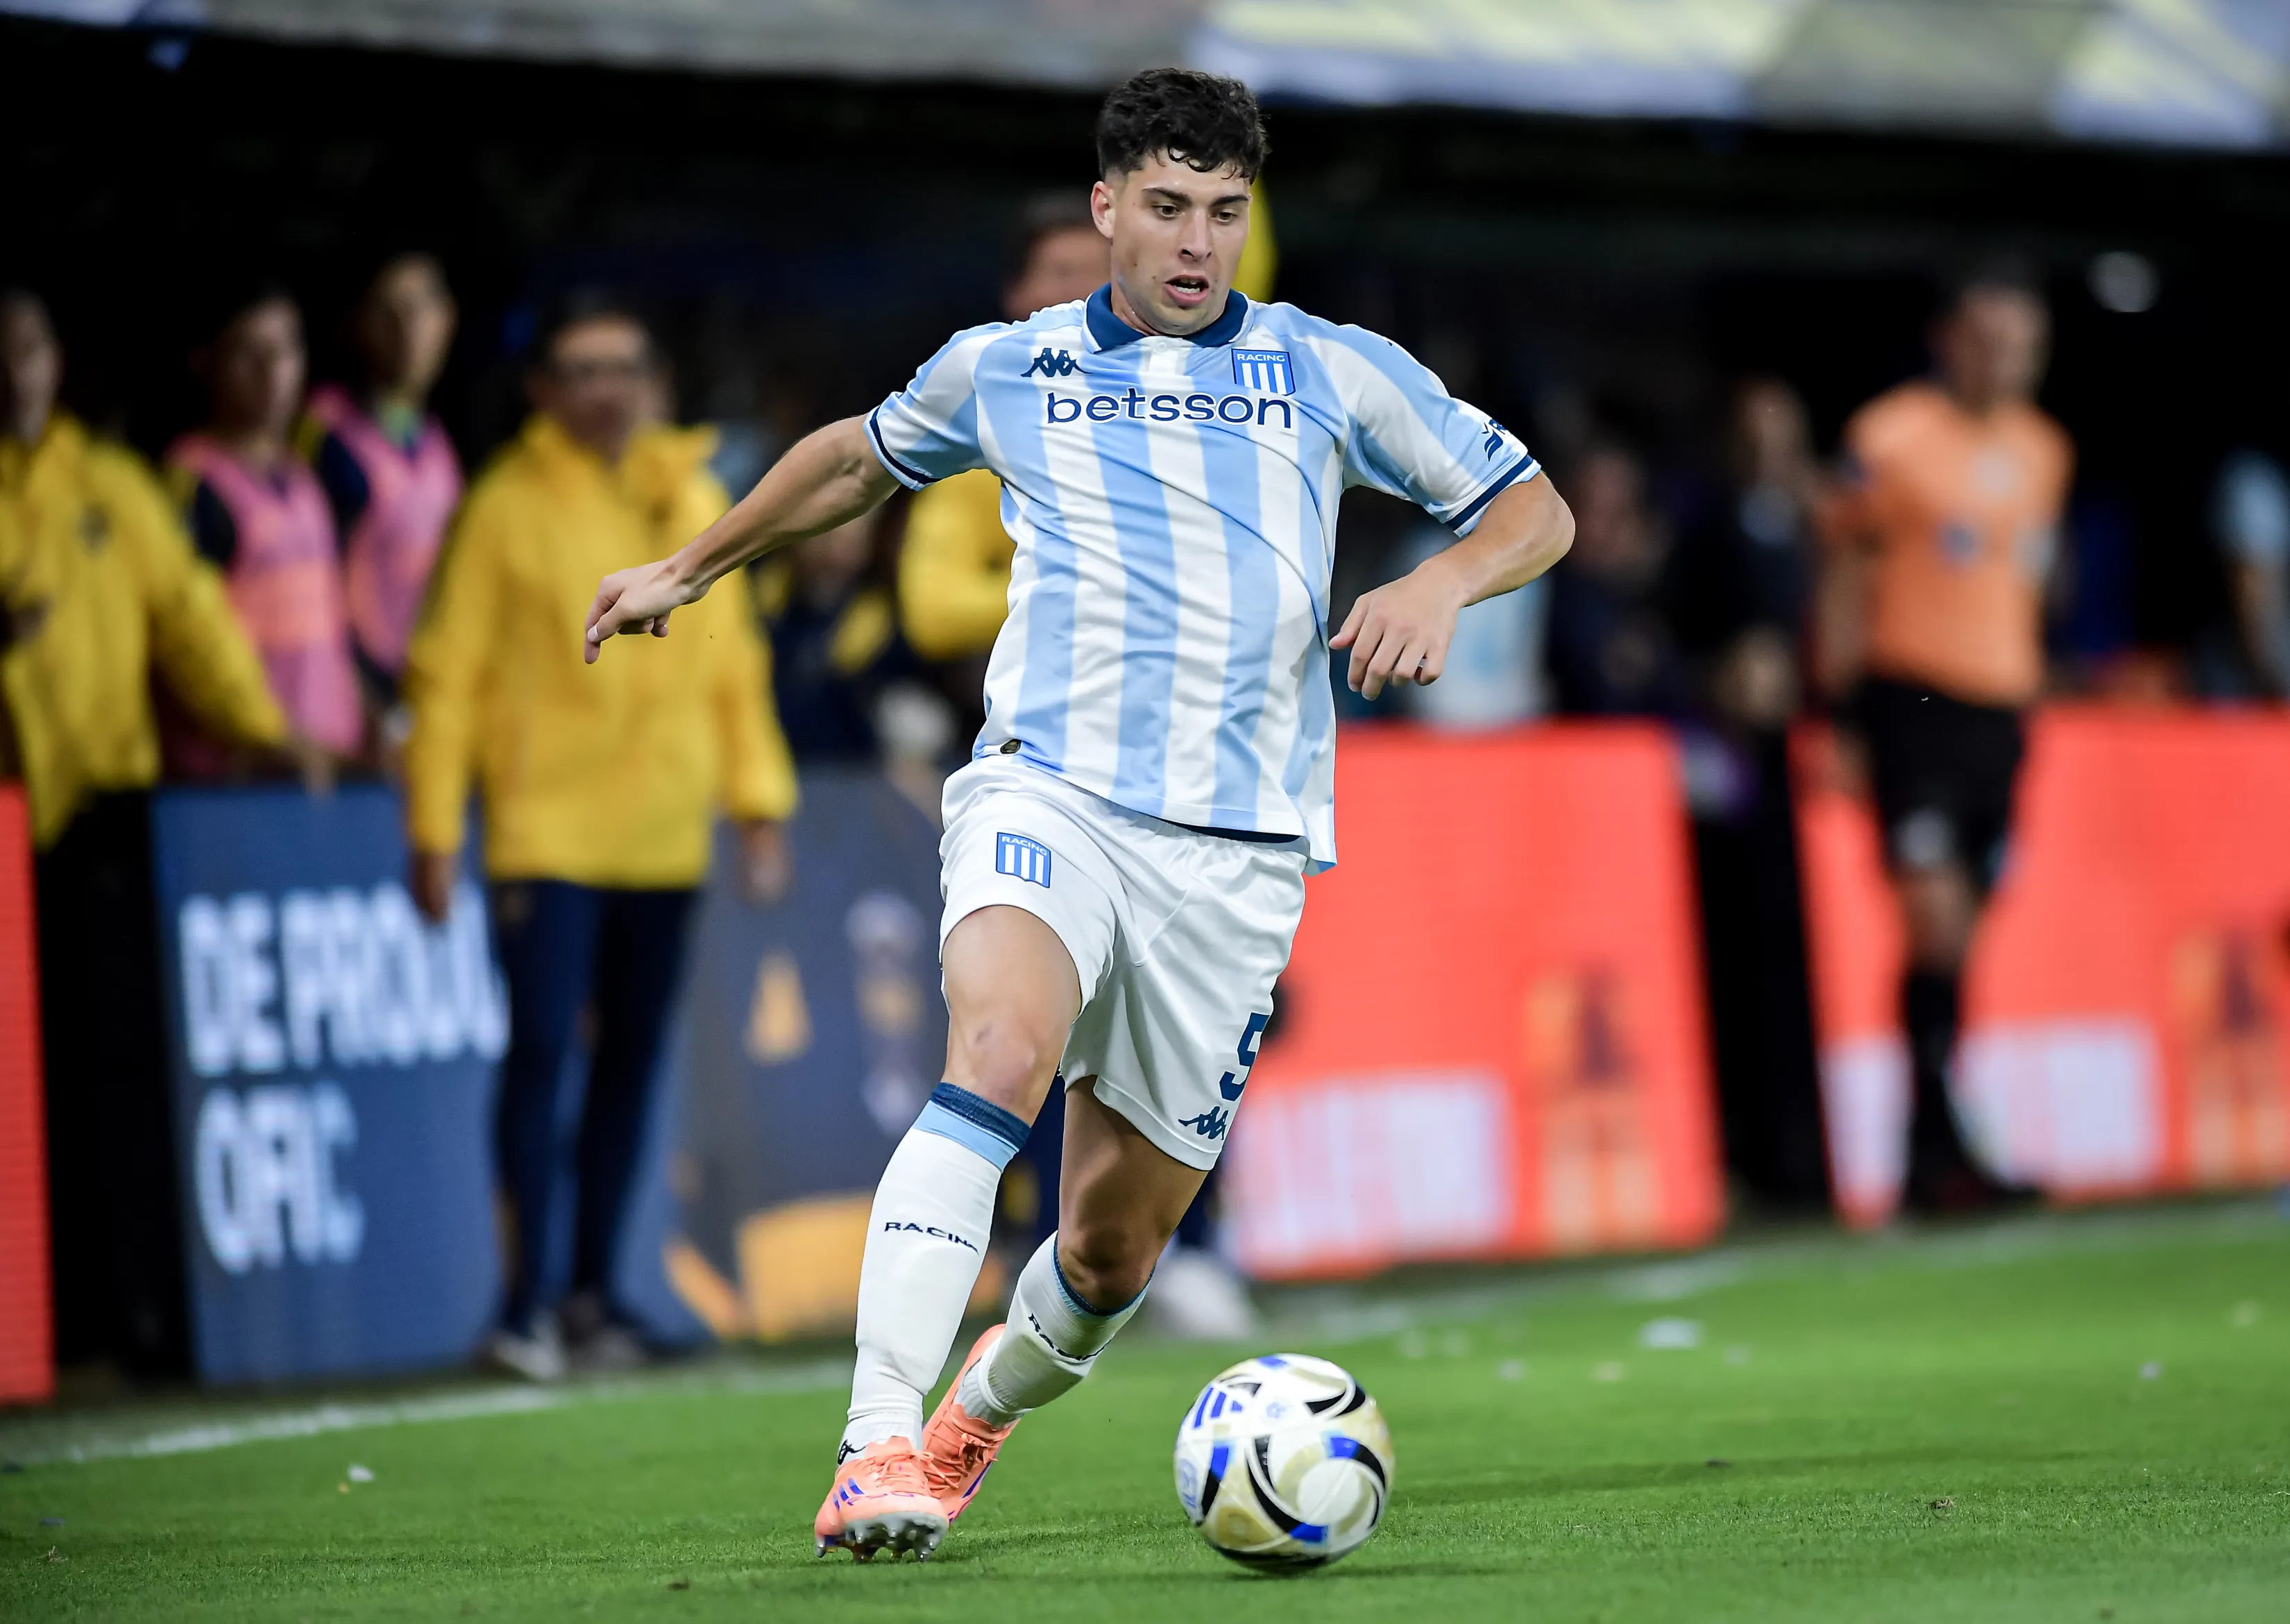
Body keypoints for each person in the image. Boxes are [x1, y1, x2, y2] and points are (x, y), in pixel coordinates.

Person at [584, 68, 1574, 1561]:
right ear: (1108, 207)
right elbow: (854, 458)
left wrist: (1440, 580)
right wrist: (689, 565)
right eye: (1167, 207)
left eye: (1223, 212)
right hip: (1052, 791)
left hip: (1236, 859)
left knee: (1110, 1256)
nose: (1196, 242)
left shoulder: (1329, 368)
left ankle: (968, 1423)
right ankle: (874, 1443)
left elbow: (1535, 511)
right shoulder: (1013, 368)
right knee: (999, 1052)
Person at [401, 298, 799, 1380]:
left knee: (629, 1067)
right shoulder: (504, 507)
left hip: (665, 835)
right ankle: (521, 1307)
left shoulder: (693, 497)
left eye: (623, 366)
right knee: (540, 1058)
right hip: (546, 833)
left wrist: (757, 806)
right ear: (542, 390)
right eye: (582, 371)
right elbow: (447, 676)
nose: (606, 389)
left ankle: (590, 1298)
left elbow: (734, 666)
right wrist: (433, 826)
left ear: (651, 378)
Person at [0, 289, 323, 1370]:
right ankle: (38, 1327)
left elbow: (194, 624)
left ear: (55, 359)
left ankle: (117, 1320)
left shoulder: (109, 485)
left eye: (28, 347)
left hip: (102, 815)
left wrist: (268, 734)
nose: (15, 370)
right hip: (6, 816)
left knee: (113, 1080)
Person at [1817, 264, 2073, 1214]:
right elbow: (1844, 576)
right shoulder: (1890, 439)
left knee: (1962, 936)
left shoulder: (2045, 449)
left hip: (1998, 714)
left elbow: (2031, 578)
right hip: (1910, 701)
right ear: (1949, 340)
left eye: (2023, 344)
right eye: (1989, 339)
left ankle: (1940, 1144)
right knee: (1933, 917)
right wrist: (1836, 712)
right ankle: (1933, 1148)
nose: (2006, 359)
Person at [1669, 379, 1829, 1208]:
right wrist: (1717, 681)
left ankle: (1813, 1151)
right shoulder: (1703, 532)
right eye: (1754, 437)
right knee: (1740, 960)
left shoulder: (1819, 528)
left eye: (1782, 436)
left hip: (1806, 776)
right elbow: (1670, 637)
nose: (1769, 454)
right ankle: (1755, 1152)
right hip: (1731, 775)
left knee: (1813, 966)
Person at [896, 194, 1111, 671]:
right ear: (1017, 294)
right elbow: (933, 611)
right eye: (1063, 273)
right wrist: (1078, 591)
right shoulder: (979, 439)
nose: (1086, 294)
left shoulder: (1183, 415)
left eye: (1105, 274)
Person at [167, 286, 365, 766]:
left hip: (323, 762)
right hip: (244, 770)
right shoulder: (194, 485)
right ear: (205, 362)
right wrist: (265, 736)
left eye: (286, 348)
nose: (273, 371)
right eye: (249, 352)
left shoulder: (303, 475)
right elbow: (188, 639)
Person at [299, 252, 462, 734]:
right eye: (387, 312)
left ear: (447, 320)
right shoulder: (326, 437)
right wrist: (365, 700)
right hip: (358, 712)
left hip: (424, 695)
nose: (407, 329)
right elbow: (313, 589)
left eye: (420, 308)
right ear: (356, 324)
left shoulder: (435, 442)